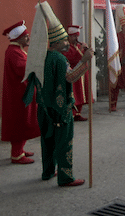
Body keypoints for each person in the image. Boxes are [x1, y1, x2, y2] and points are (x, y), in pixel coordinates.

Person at [38, 22, 94, 187]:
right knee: (64, 142)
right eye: (64, 40)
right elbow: (71, 77)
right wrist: (84, 61)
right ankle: (65, 177)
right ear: (56, 43)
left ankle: (48, 171)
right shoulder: (60, 59)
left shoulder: (43, 56)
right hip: (60, 108)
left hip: (44, 106)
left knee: (47, 141)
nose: (67, 42)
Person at [1, 21, 40, 164]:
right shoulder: (14, 52)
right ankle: (16, 154)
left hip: (22, 92)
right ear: (19, 38)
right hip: (18, 95)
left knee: (24, 121)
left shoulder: (16, 50)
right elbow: (24, 69)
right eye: (26, 36)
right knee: (19, 122)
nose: (28, 38)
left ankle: (20, 150)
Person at [63, 25, 93, 121]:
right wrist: (80, 50)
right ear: (69, 36)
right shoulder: (67, 47)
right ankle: (72, 113)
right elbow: (71, 58)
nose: (76, 38)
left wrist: (87, 51)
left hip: (82, 73)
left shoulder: (79, 46)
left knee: (81, 94)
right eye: (74, 36)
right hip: (73, 73)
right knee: (74, 94)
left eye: (77, 36)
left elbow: (84, 58)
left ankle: (78, 113)